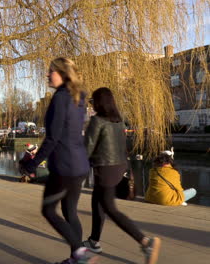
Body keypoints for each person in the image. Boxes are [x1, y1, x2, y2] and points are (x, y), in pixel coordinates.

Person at [20, 57, 96, 264]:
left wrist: (31, 164)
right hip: (80, 164)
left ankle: (81, 253)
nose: (47, 74)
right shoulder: (78, 96)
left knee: (48, 209)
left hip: (64, 166)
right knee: (70, 210)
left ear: (62, 74)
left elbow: (53, 138)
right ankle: (76, 257)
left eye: (51, 71)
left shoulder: (61, 98)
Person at [83, 87, 161, 264]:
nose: (92, 105)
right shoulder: (119, 121)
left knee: (110, 208)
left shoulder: (97, 121)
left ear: (99, 103)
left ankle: (145, 242)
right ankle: (94, 241)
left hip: (105, 169)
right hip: (119, 167)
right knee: (97, 202)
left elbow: (86, 149)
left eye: (93, 101)